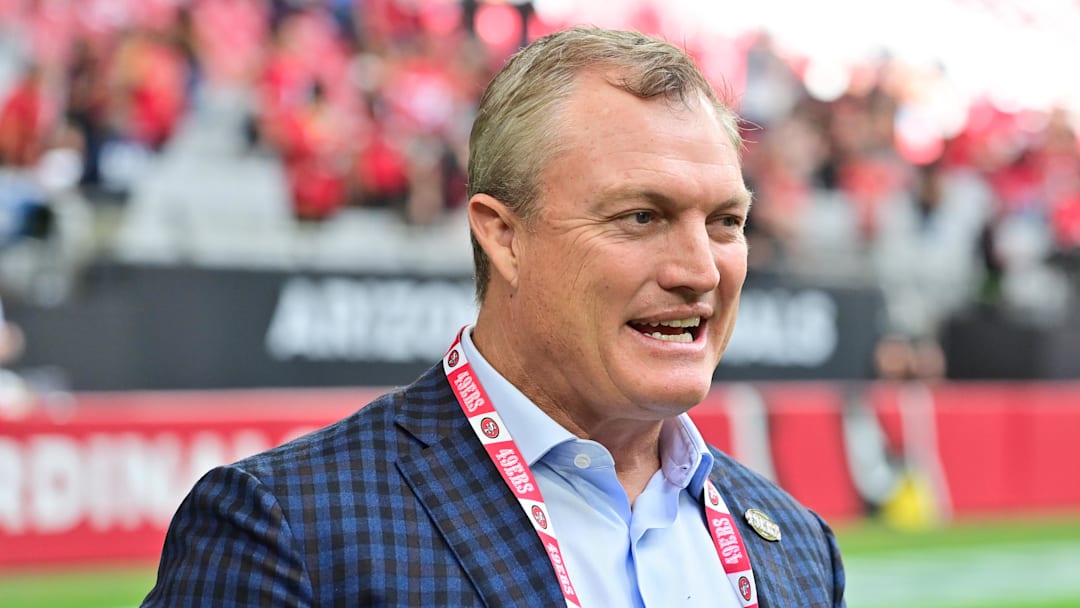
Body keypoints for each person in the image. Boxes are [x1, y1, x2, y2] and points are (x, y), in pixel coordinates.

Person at [143, 27, 846, 607]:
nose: (700, 271)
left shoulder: (798, 549)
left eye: (726, 222)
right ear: (504, 237)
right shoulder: (287, 529)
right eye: (641, 216)